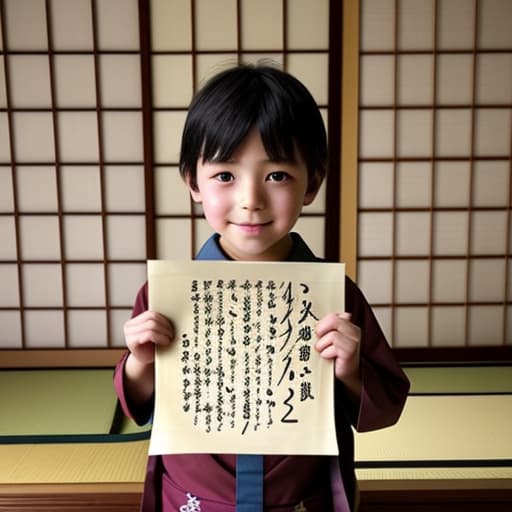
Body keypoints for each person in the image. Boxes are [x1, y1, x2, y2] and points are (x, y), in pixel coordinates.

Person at [114, 63, 410, 512]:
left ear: (312, 182)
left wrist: (350, 369)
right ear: (193, 182)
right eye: (225, 176)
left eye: (277, 175)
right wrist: (140, 361)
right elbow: (137, 403)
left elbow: (384, 408)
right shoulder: (164, 296)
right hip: (194, 500)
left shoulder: (337, 297)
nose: (251, 198)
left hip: (301, 498)